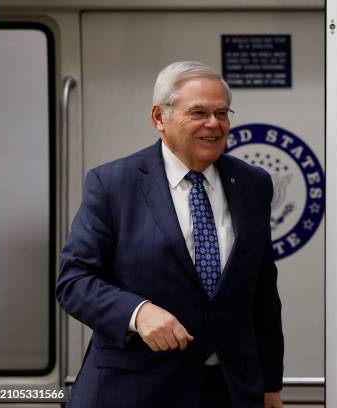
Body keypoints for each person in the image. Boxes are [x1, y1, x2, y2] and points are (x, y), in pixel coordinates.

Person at [56, 61, 284, 408]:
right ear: (159, 118)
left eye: (222, 112)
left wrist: (270, 384)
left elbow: (263, 292)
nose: (214, 124)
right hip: (135, 391)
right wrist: (137, 312)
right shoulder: (113, 184)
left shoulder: (253, 184)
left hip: (231, 391)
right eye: (199, 112)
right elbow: (73, 281)